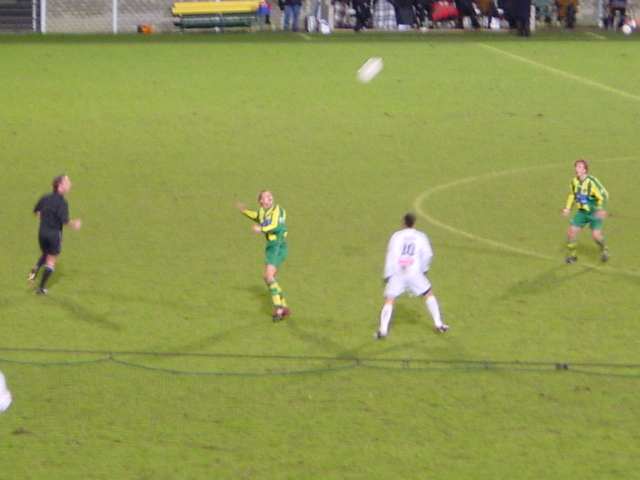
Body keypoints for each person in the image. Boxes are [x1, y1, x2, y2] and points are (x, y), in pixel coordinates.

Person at [376, 213, 448, 339]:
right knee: (428, 294)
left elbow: (391, 255)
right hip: (414, 271)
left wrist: (387, 274)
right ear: (414, 223)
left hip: (398, 271)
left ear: (403, 223)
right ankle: (438, 324)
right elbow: (428, 254)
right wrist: (424, 269)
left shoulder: (396, 236)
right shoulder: (421, 236)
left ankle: (383, 330)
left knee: (389, 299)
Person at [237, 191, 290, 321]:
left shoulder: (278, 210)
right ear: (261, 201)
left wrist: (261, 229)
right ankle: (284, 306)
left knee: (269, 276)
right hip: (271, 246)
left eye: (270, 195)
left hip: (278, 245)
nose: (270, 197)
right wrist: (244, 211)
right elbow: (257, 216)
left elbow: (275, 226)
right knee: (267, 277)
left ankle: (279, 309)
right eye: (266, 197)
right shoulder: (262, 211)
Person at [28, 175, 82, 295]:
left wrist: (45, 219)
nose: (70, 185)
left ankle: (35, 270)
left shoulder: (45, 198)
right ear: (60, 186)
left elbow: (36, 212)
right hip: (54, 235)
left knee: (45, 253)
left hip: (42, 233)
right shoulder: (62, 203)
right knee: (51, 260)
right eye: (67, 182)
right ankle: (41, 289)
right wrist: (75, 224)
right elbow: (65, 221)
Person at [562, 159, 609, 264]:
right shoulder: (574, 181)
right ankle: (573, 257)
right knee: (571, 233)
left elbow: (604, 195)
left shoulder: (592, 182)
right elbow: (572, 195)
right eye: (576, 166)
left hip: (594, 212)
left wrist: (600, 209)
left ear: (585, 170)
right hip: (582, 212)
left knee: (596, 236)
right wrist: (568, 208)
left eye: (579, 167)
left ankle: (604, 249)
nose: (576, 169)